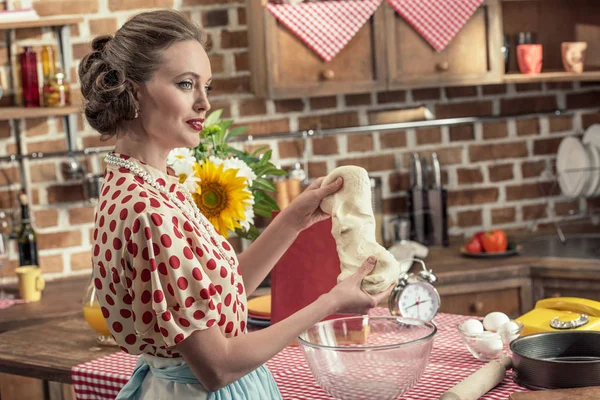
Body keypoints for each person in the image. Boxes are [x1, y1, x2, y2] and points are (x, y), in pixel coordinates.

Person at [80, 9, 394, 400]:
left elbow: (218, 298)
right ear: (132, 90)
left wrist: (292, 220)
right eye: (185, 84)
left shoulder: (136, 181)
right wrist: (331, 302)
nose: (203, 103)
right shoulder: (150, 211)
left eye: (206, 87)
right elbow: (218, 367)